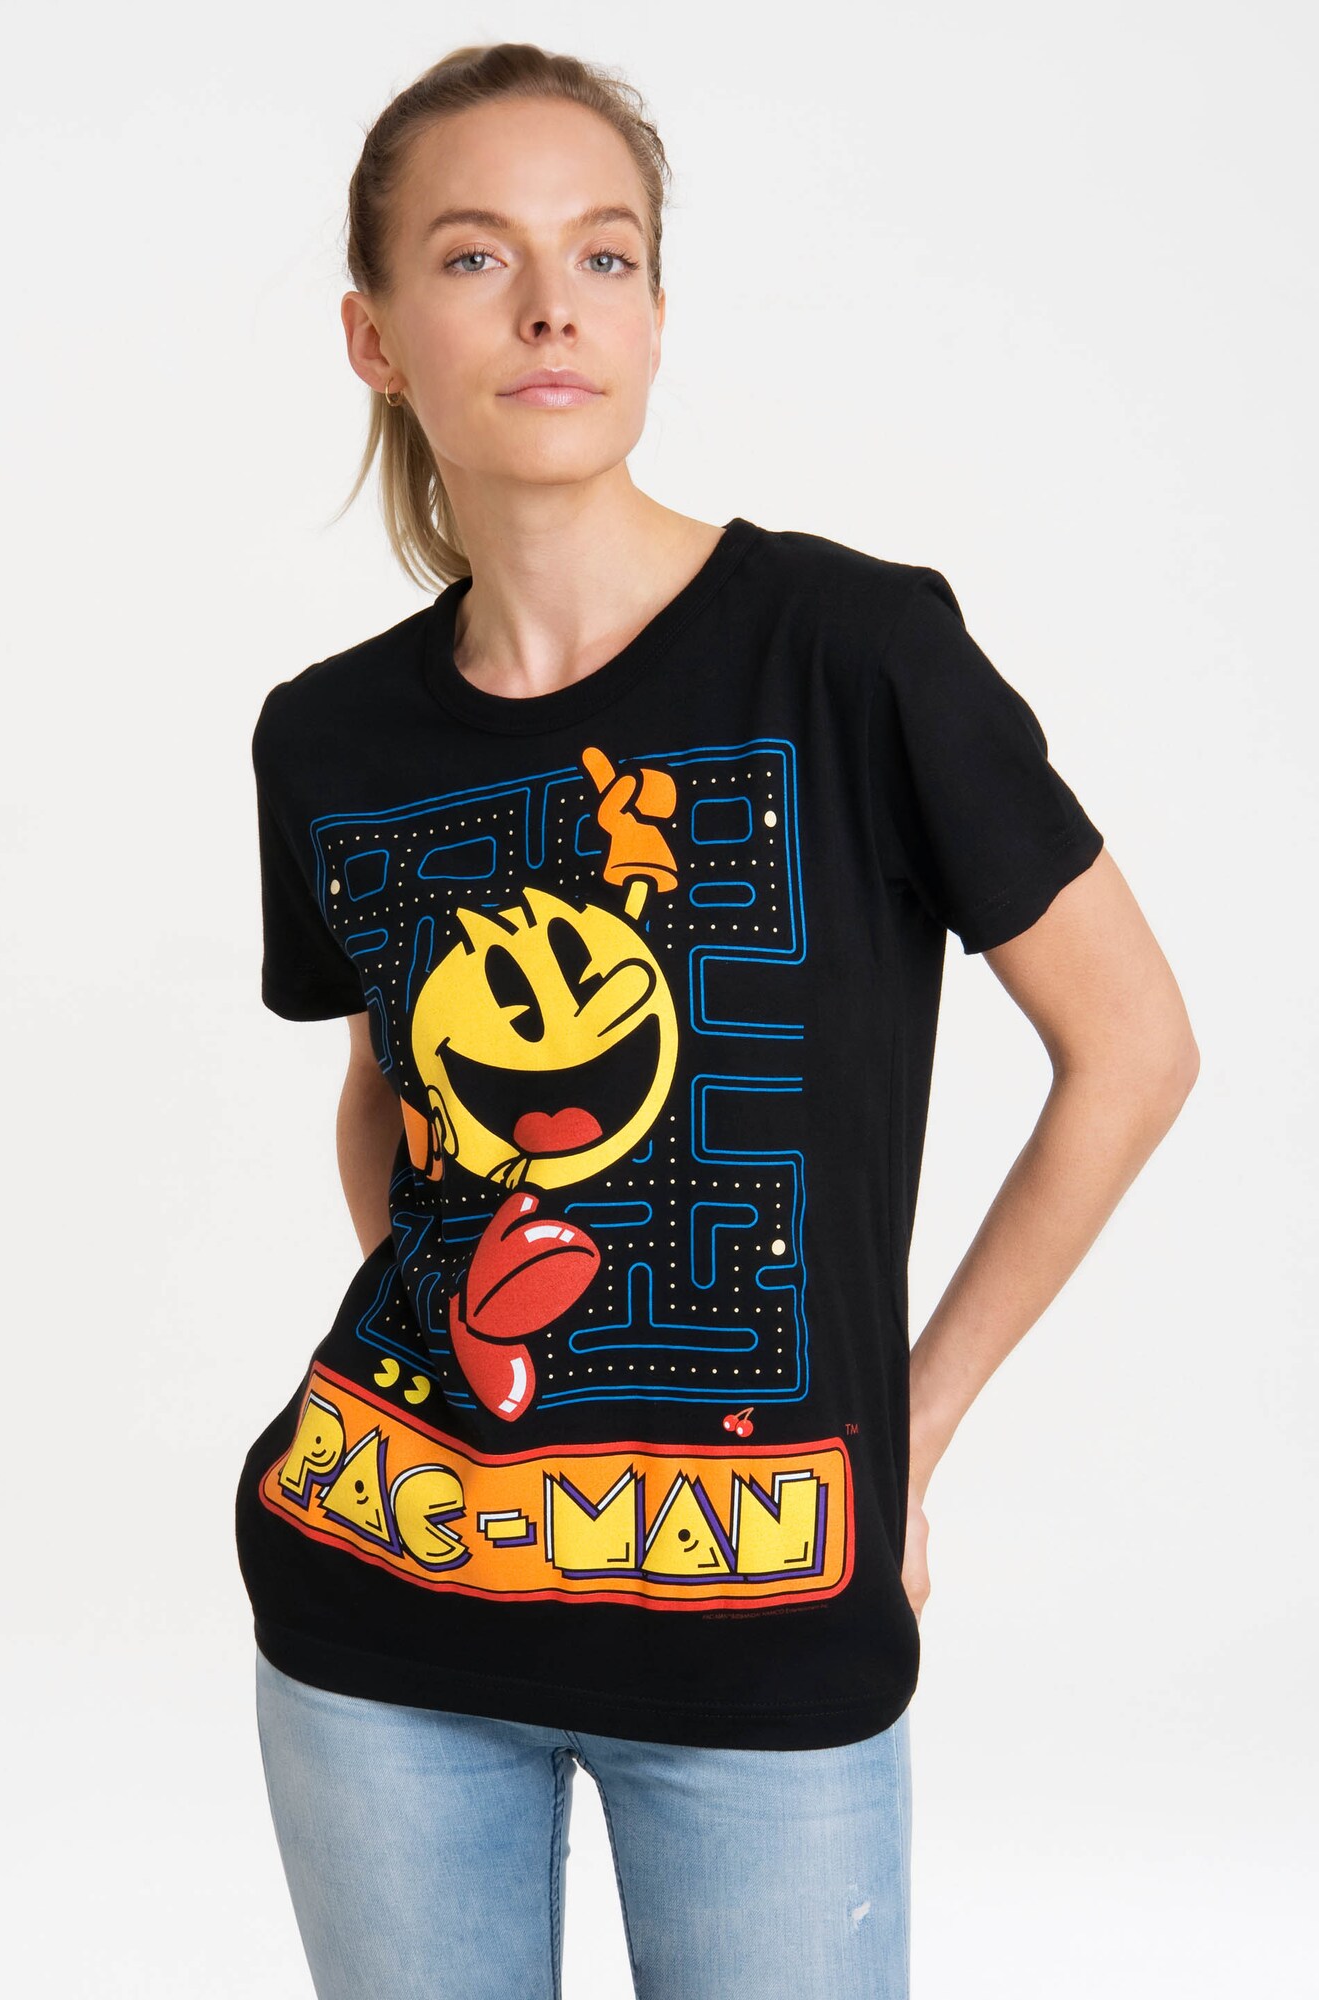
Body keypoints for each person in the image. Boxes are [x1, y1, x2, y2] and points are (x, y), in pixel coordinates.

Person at [234, 40, 1199, 2000]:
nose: (551, 305)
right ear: (375, 336)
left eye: (603, 254)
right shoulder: (329, 738)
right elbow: (386, 1094)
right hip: (383, 1605)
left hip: (762, 1615)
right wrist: (486, 1327)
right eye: (477, 257)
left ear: (658, 315)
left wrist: (908, 1430)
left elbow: (1134, 1049)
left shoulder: (853, 653)